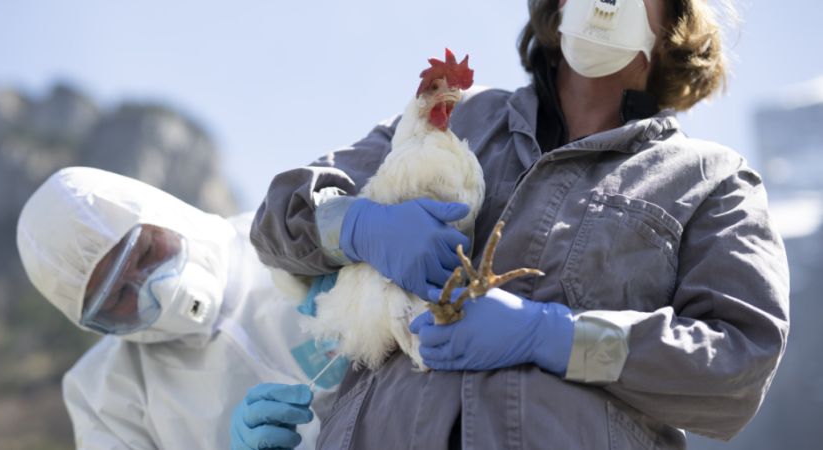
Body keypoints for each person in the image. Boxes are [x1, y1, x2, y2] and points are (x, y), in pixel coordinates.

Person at [249, 0, 789, 448]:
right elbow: (278, 220)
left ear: (673, 18)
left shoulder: (711, 180)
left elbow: (735, 368)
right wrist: (358, 225)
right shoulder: (458, 117)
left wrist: (553, 336)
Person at [16, 166, 344, 449]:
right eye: (116, 298)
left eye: (146, 252)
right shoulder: (104, 397)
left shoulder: (285, 237)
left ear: (161, 214)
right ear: (96, 322)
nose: (150, 287)